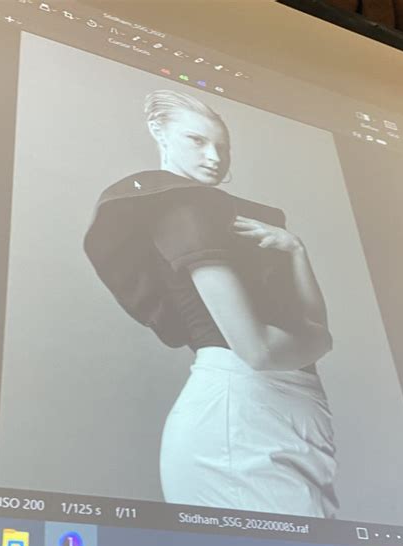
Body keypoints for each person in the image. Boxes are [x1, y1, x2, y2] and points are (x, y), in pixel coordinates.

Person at [84, 89, 338, 518]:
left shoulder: (220, 214)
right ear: (158, 133)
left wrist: (296, 251)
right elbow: (257, 350)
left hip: (278, 410)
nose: (214, 156)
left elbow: (309, 322)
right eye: (196, 141)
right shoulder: (181, 210)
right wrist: (321, 340)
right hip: (239, 416)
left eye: (222, 146)